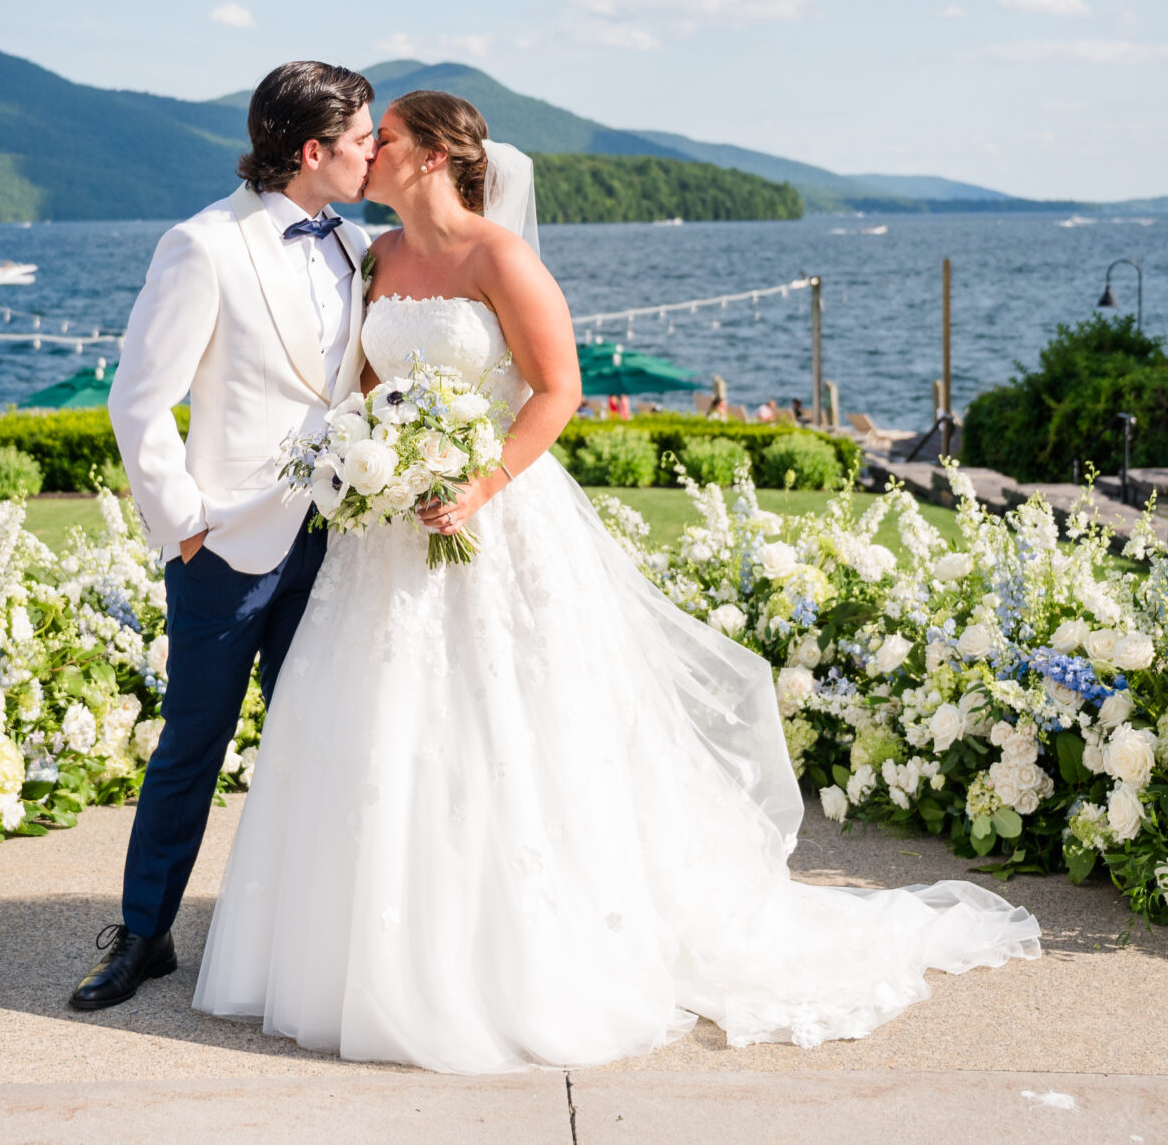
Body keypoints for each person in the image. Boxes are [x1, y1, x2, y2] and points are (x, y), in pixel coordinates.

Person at [188, 91, 1039, 1073]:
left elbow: (557, 389)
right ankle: (364, 947)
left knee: (509, 727)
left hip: (494, 518)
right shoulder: (377, 257)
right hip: (388, 536)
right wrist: (372, 457)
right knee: (382, 728)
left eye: (384, 140)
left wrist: (476, 481)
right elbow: (368, 387)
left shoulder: (502, 259)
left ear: (429, 158)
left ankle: (519, 951)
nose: (366, 152)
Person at [75, 61, 377, 1011]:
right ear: (312, 148)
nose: (376, 149)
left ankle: (307, 936)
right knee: (192, 742)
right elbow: (139, 398)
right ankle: (143, 932)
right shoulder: (202, 244)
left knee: (318, 738)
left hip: (335, 537)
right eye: (363, 136)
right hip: (227, 545)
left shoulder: (360, 243)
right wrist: (185, 525)